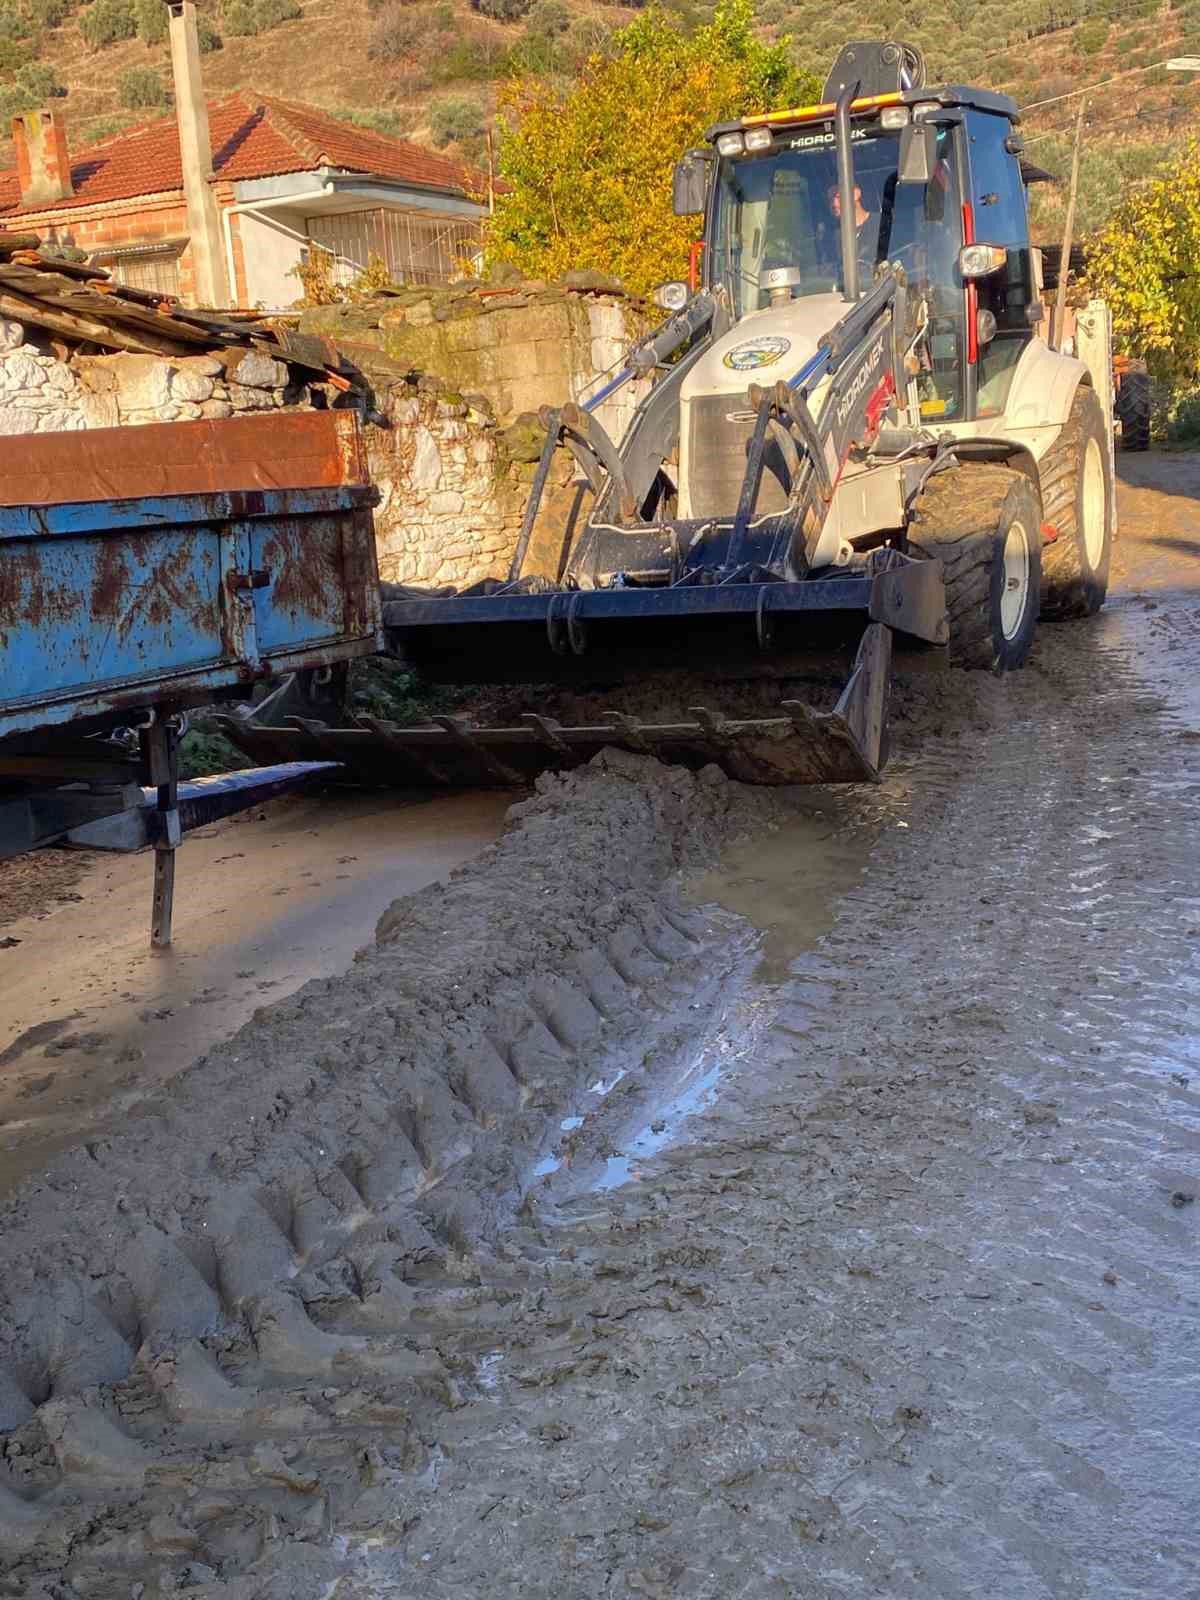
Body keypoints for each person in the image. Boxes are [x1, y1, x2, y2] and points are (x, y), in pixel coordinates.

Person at [826, 181, 880, 286]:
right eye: (830, 200)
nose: (834, 204)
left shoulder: (882, 224)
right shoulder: (834, 235)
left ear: (856, 194)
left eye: (838, 197)